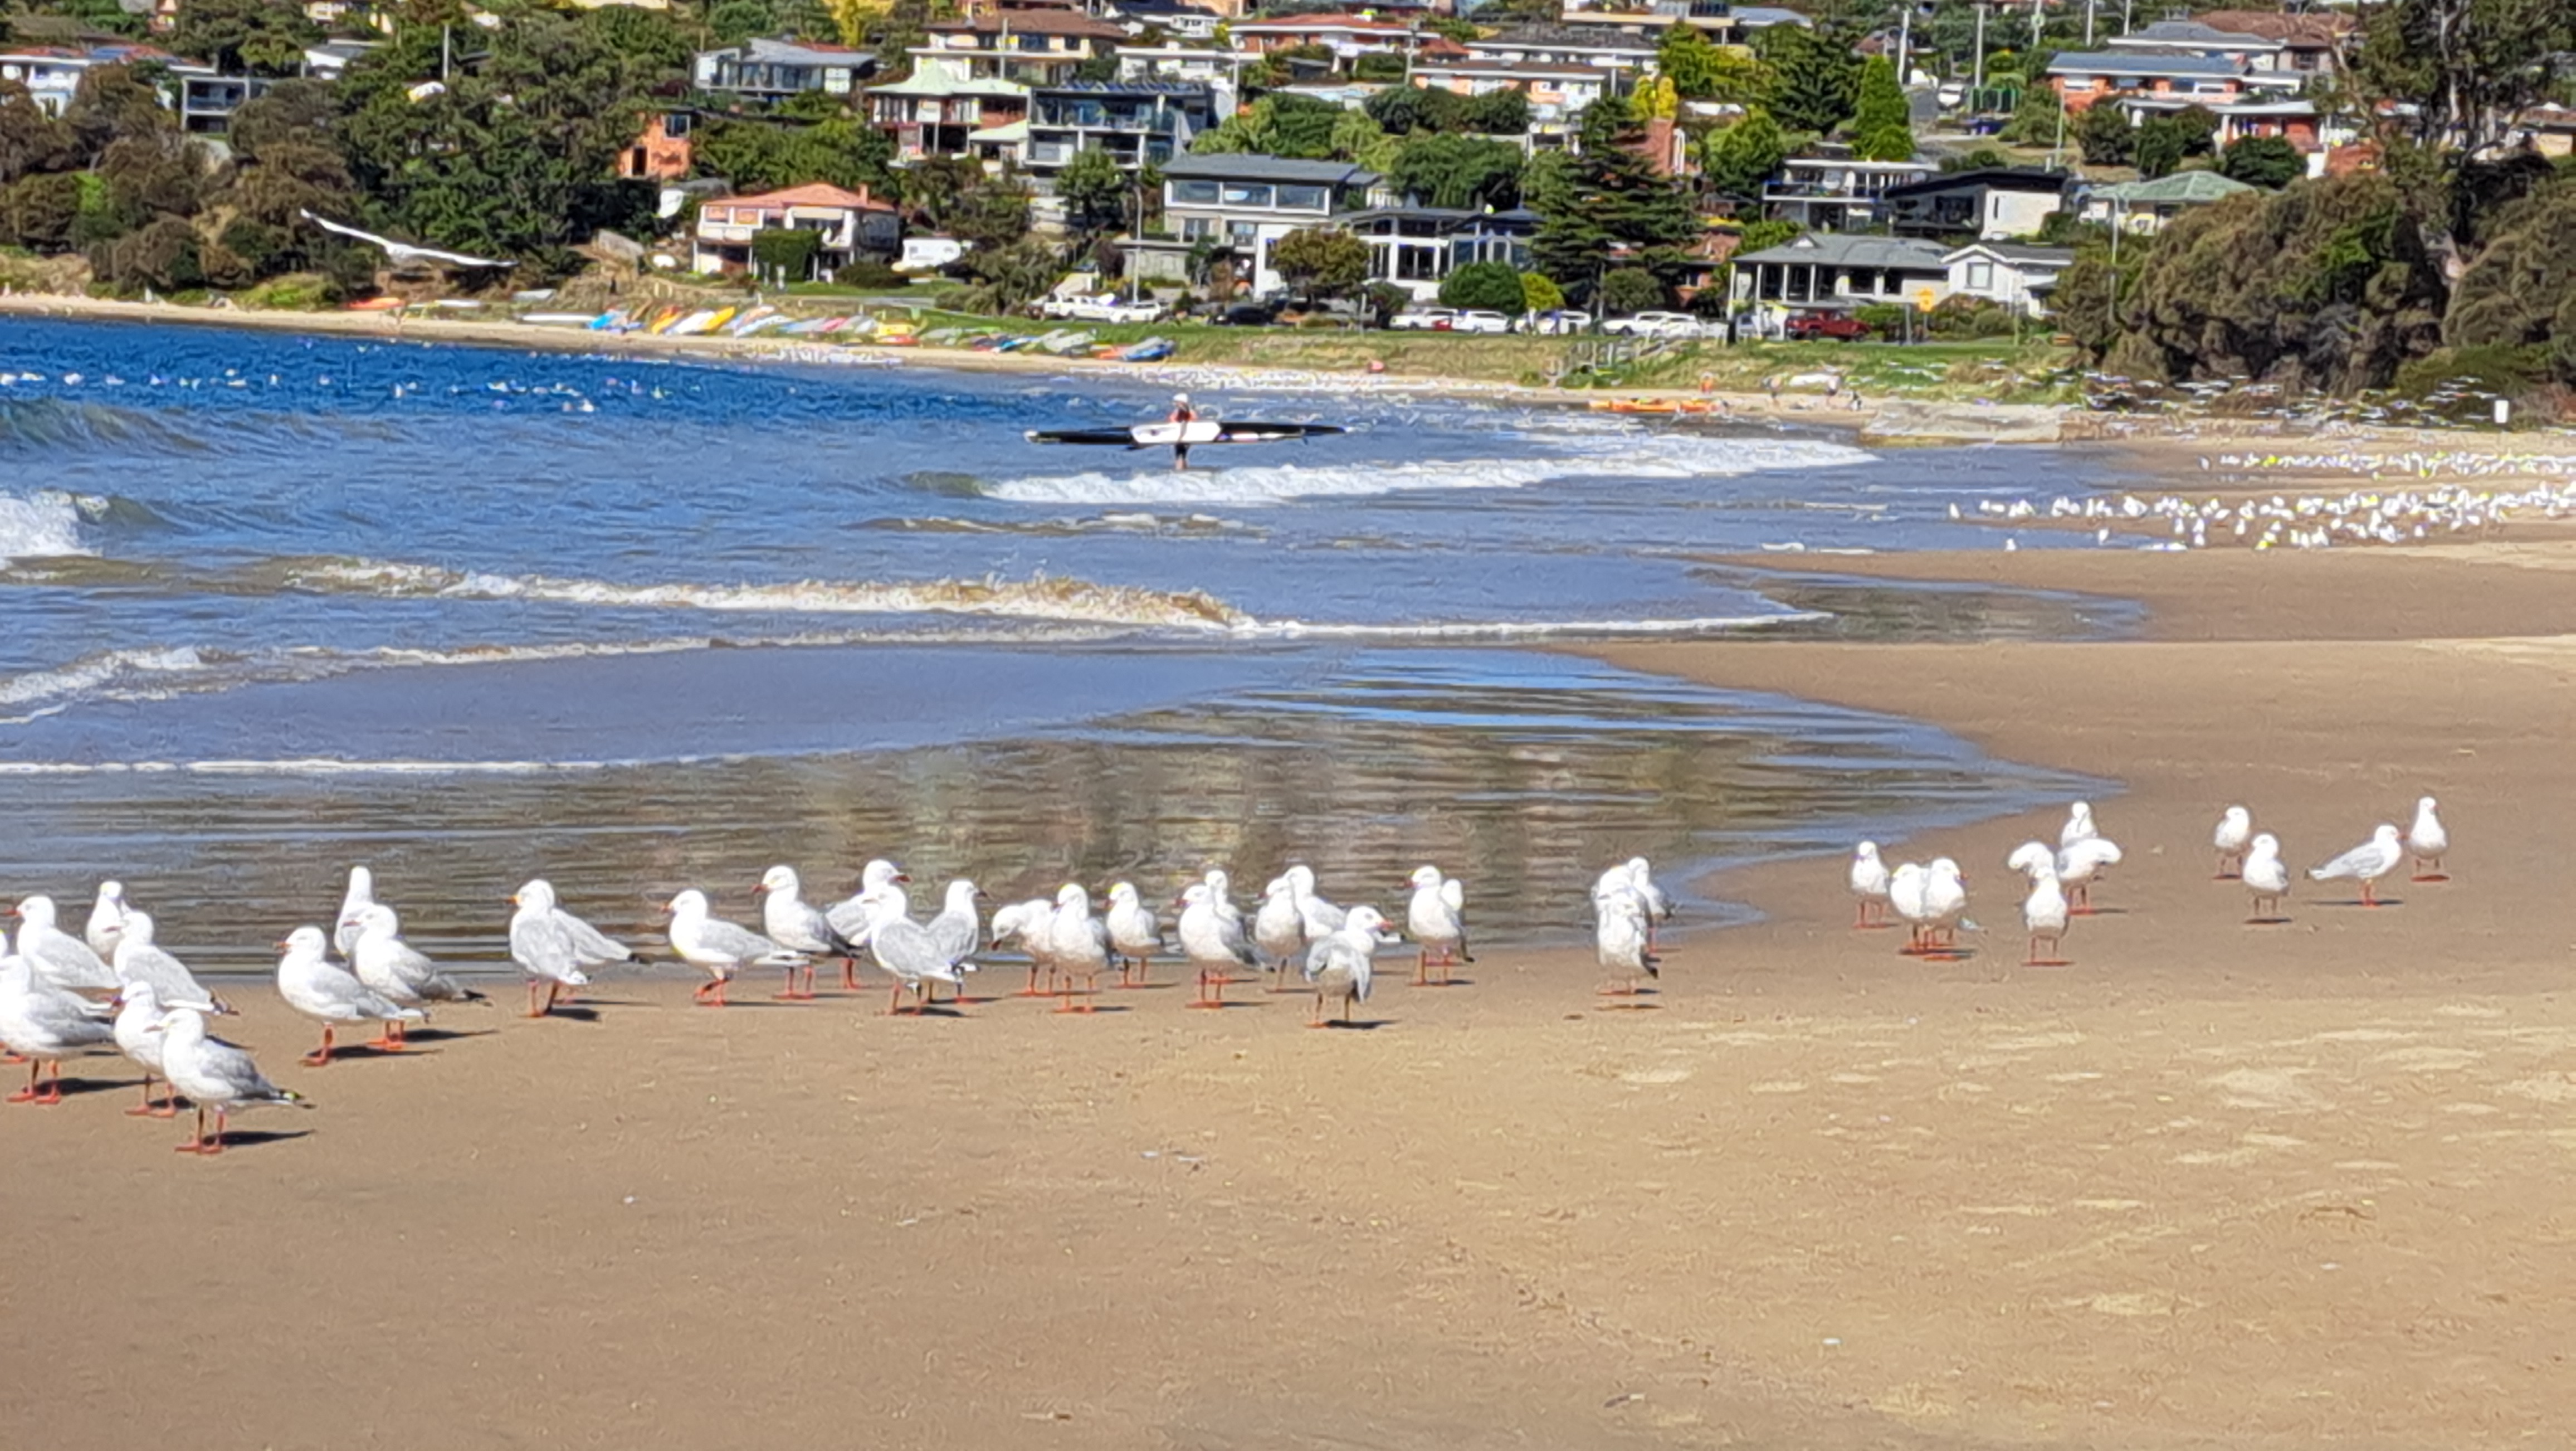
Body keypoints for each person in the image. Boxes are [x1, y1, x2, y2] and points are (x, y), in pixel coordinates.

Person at [1168, 392, 1198, 471]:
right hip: (1182, 435)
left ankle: (1179, 470)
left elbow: (1184, 424)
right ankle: (1184, 470)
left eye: (1176, 402)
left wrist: (1181, 437)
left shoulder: (1184, 411)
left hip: (1183, 436)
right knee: (1182, 454)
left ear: (1181, 402)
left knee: (1180, 454)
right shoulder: (1182, 411)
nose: (1175, 404)